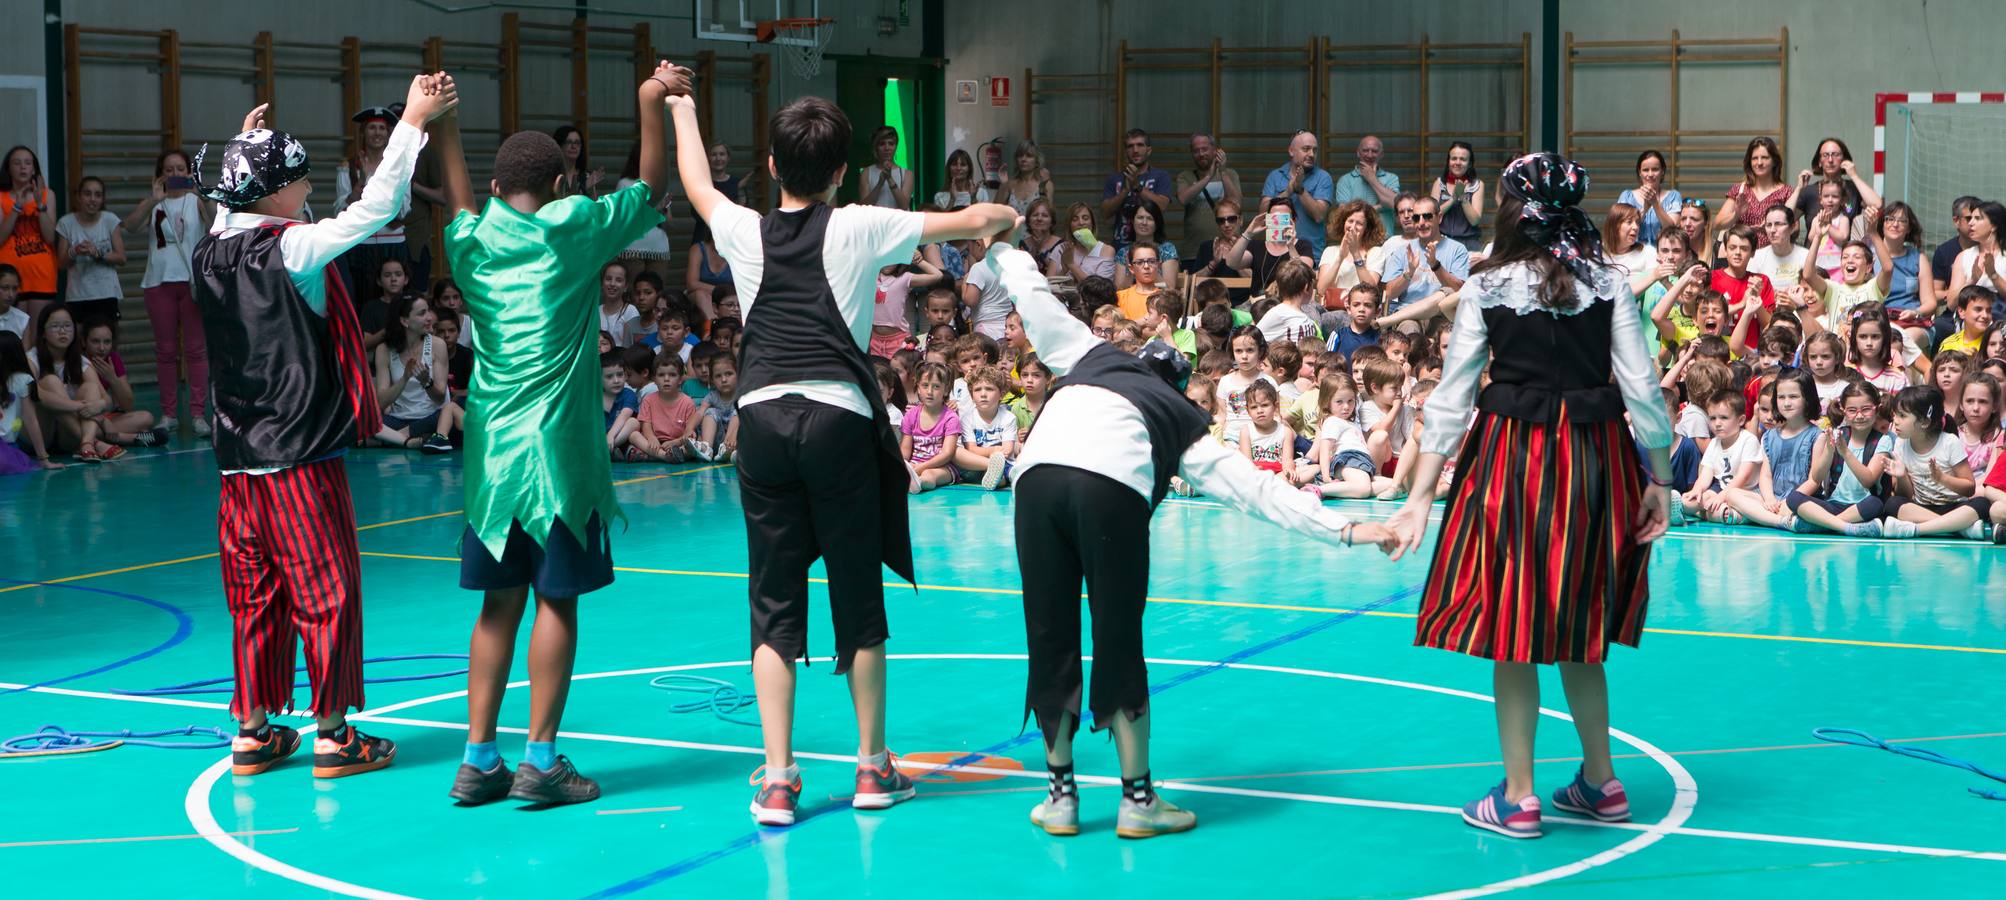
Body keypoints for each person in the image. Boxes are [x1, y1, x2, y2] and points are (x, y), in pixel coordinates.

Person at [672, 85, 1016, 826]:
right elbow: (975, 219)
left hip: (760, 420)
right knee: (857, 597)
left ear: (770, 165)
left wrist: (682, 108)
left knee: (773, 601)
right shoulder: (863, 224)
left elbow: (697, 183)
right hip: (837, 421)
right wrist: (1006, 216)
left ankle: (777, 779)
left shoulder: (741, 228)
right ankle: (870, 768)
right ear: (841, 173)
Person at [980, 231, 1393, 839]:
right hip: (1108, 489)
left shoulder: (1089, 353)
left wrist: (998, 245)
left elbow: (1034, 296)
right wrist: (1347, 529)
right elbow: (1257, 490)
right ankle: (1137, 801)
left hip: (1035, 482)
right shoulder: (1178, 415)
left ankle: (1061, 798)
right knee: (1117, 639)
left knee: (1050, 633)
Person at [1386, 153, 1676, 840]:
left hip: (1513, 457)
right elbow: (1642, 386)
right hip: (1597, 458)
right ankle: (1602, 784)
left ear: (1515, 211)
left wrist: (1422, 495)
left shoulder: (1488, 284)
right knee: (1582, 619)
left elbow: (1453, 398)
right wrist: (1660, 480)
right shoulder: (1610, 280)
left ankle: (1518, 797)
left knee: (1514, 622)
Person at [425, 62, 680, 805]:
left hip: (494, 461)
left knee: (495, 605)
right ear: (564, 185)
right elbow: (649, 189)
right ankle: (540, 761)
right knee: (556, 603)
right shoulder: (573, 229)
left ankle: (478, 760)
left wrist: (445, 126)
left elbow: (466, 207)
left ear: (501, 190)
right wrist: (646, 102)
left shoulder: (469, 245)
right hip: (560, 461)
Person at [192, 79, 453, 781]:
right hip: (300, 460)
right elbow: (378, 208)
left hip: (237, 464)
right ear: (272, 192)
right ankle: (335, 736)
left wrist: (244, 146)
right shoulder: (295, 250)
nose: (307, 190)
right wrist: (414, 125)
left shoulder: (208, 250)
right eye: (298, 180)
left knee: (254, 593)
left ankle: (252, 730)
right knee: (326, 589)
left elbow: (227, 207)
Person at [123, 148, 212, 435]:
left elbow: (215, 224)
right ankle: (169, 414)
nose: (175, 174)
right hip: (159, 283)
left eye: (180, 169)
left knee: (197, 351)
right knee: (165, 351)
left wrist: (202, 193)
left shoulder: (196, 201)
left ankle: (198, 414)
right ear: (160, 174)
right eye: (169, 169)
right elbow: (131, 225)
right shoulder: (153, 204)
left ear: (188, 172)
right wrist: (153, 200)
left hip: (192, 283)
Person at [336, 106, 416, 301]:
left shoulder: (399, 166)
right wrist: (360, 185)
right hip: (361, 243)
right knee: (362, 298)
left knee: (396, 301)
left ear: (389, 134)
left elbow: (405, 207)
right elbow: (340, 209)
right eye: (372, 128)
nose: (377, 133)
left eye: (382, 129)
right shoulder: (349, 166)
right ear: (363, 132)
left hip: (393, 242)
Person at [372, 293, 459, 452]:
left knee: (445, 416)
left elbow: (440, 398)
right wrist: (404, 378)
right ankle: (408, 441)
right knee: (363, 420)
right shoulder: (384, 350)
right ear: (405, 321)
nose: (429, 318)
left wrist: (426, 382)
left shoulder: (437, 345)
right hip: (399, 418)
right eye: (421, 313)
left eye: (428, 311)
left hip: (431, 417)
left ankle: (391, 439)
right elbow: (381, 402)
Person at [0, 146, 57, 336]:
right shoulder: (1, 197)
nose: (23, 167)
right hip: (10, 275)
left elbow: (50, 237)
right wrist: (17, 206)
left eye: (27, 163)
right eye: (17, 163)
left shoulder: (48, 195)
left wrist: (40, 205)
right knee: (14, 337)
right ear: (9, 169)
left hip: (41, 274)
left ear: (34, 169)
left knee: (39, 336)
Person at [56, 176, 127, 326]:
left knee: (108, 339)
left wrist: (98, 254)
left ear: (102, 199)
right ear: (78, 197)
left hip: (106, 293)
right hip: (77, 295)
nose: (92, 199)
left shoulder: (109, 220)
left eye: (98, 195)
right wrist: (74, 251)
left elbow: (121, 258)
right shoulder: (66, 222)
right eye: (87, 194)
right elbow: (61, 263)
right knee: (80, 341)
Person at [1260, 131, 1335, 257]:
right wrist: (1288, 192)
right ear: (1291, 151)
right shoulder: (1275, 176)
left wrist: (1300, 190)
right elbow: (1262, 217)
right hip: (1277, 252)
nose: (1311, 154)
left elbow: (1319, 215)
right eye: (1306, 149)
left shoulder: (1323, 177)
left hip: (1311, 253)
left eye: (1315, 150)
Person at [1100, 129, 1173, 248]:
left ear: (1148, 150)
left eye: (1140, 145)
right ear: (1126, 152)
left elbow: (1162, 206)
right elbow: (1105, 213)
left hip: (1152, 246)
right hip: (1120, 246)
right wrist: (1125, 191)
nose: (1135, 150)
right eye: (1130, 146)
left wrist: (1137, 186)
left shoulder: (1161, 176)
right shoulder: (1115, 179)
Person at [1223, 196, 1315, 291]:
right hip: (1258, 303)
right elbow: (1231, 263)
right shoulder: (1256, 246)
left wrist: (1290, 245)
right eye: (1274, 218)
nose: (1278, 222)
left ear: (1294, 220)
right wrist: (1248, 233)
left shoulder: (1303, 246)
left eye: (1283, 218)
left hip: (1287, 304)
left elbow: (1304, 276)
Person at [1790, 138, 1881, 230]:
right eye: (1825, 155)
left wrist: (1854, 176)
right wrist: (1798, 188)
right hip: (1814, 244)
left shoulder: (1853, 188)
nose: (1830, 160)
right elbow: (1785, 218)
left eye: (1835, 155)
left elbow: (1877, 205)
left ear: (1844, 160)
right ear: (1819, 162)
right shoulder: (1809, 191)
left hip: (1847, 244)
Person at [1175, 132, 1241, 246]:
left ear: (1215, 150)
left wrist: (1223, 172)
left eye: (1205, 149)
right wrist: (1208, 177)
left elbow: (1236, 202)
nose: (1201, 154)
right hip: (1194, 249)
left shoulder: (1230, 174)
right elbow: (1183, 199)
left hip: (1230, 246)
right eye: (1196, 151)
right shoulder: (1185, 176)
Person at [1316, 200, 1388, 304]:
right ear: (1343, 222)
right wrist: (1340, 258)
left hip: (1360, 312)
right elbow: (1321, 290)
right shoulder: (1330, 251)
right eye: (1350, 221)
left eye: (1359, 223)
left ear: (1366, 229)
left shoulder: (1376, 252)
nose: (1353, 227)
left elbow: (1370, 289)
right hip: (1331, 310)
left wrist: (1355, 254)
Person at [1715, 137, 1790, 230]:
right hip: (1742, 244)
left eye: (1765, 158)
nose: (1759, 163)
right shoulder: (1739, 190)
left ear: (1774, 161)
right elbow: (1717, 224)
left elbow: (1795, 229)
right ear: (1749, 162)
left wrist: (1772, 226)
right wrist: (1736, 214)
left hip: (1773, 244)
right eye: (1754, 158)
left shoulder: (1786, 192)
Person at [1334, 134, 1402, 235]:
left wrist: (1372, 179)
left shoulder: (1392, 178)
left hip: (1384, 240)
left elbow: (1394, 203)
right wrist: (1379, 207)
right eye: (1365, 150)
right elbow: (1344, 213)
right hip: (1355, 239)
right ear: (1358, 152)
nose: (1369, 155)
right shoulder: (1345, 180)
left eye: (1374, 151)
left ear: (1381, 154)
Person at [1616, 150, 1682, 245]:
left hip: (1663, 255)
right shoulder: (1626, 196)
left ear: (1662, 172)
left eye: (1655, 169)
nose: (1650, 174)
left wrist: (1655, 203)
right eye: (1645, 170)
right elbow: (1620, 229)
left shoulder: (1673, 196)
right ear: (1639, 172)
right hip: (1633, 254)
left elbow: (1673, 230)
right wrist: (1644, 209)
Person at [1431, 141, 1486, 252]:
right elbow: (1432, 216)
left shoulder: (1478, 185)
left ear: (1470, 163)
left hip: (1469, 245)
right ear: (1448, 161)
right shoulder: (1438, 183)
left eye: (1463, 159)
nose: (1457, 162)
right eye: (1454, 158)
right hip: (1441, 243)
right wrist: (1453, 199)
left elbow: (1475, 220)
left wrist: (1463, 198)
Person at [1113, 199, 1178, 289]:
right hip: (1131, 301)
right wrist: (1132, 267)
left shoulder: (1167, 249)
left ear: (1157, 224)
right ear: (1132, 221)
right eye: (1140, 218)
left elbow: (1169, 288)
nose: (1144, 222)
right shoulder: (1123, 252)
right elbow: (1119, 291)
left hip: (1159, 300)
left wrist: (1152, 265)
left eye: (1150, 219)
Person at [859, 126, 913, 209]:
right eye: (882, 144)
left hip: (897, 222)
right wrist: (880, 183)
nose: (887, 148)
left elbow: (904, 206)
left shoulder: (907, 174)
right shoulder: (866, 172)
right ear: (876, 147)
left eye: (891, 144)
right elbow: (863, 207)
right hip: (875, 221)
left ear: (896, 146)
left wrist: (890, 179)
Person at [1001, 140, 1054, 215]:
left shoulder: (1046, 184)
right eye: (1020, 156)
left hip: (1036, 226)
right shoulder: (1009, 185)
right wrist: (1004, 185)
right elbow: (995, 212)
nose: (1023, 159)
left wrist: (1043, 186)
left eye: (1029, 156)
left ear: (1036, 161)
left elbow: (1048, 214)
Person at [552, 124, 603, 199]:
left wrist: (589, 189)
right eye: (569, 142)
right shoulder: (551, 175)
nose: (574, 146)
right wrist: (584, 187)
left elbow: (593, 206)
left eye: (577, 143)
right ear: (559, 145)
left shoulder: (586, 176)